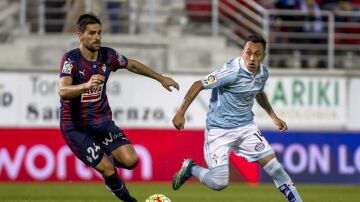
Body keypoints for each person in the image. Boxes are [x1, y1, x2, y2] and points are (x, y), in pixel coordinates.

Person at [58, 13, 179, 202]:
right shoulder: (71, 59)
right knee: (108, 169)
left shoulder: (108, 55)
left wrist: (161, 78)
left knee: (131, 161)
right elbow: (63, 91)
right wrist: (86, 86)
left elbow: (131, 65)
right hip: (76, 126)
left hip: (102, 121)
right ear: (80, 35)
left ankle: (109, 171)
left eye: (99, 32)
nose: (97, 37)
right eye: (91, 33)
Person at [172, 34, 303, 202]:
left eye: (257, 54)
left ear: (264, 56)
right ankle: (191, 169)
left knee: (275, 168)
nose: (252, 58)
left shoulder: (263, 73)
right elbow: (199, 84)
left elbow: (258, 92)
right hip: (219, 131)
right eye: (248, 52)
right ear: (243, 52)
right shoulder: (231, 72)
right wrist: (180, 112)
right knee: (219, 183)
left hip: (246, 128)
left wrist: (273, 116)